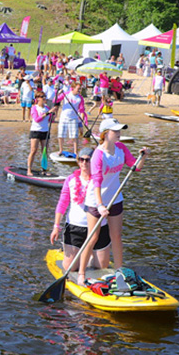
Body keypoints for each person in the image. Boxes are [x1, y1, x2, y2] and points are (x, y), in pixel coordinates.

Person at [76, 118, 148, 287]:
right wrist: (100, 205)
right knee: (92, 237)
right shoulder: (98, 156)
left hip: (116, 199)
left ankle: (119, 272)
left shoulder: (121, 149)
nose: (119, 133)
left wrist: (142, 156)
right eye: (115, 131)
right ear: (106, 134)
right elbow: (96, 183)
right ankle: (81, 273)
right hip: (96, 201)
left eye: (119, 130)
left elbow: (136, 167)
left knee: (116, 236)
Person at [50, 147, 110, 272]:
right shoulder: (70, 180)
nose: (84, 163)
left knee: (102, 266)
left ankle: (89, 255)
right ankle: (80, 254)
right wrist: (56, 226)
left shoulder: (101, 180)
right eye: (81, 160)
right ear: (78, 161)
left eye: (88, 160)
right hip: (75, 226)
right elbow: (62, 203)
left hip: (98, 226)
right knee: (70, 268)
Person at [27, 92, 54, 175]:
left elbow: (50, 120)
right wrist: (48, 113)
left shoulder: (47, 108)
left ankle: (44, 170)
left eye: (45, 97)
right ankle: (29, 170)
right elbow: (37, 119)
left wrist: (53, 114)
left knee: (44, 151)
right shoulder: (34, 108)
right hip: (36, 131)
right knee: (33, 150)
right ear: (38, 99)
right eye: (42, 97)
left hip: (45, 131)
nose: (44, 98)